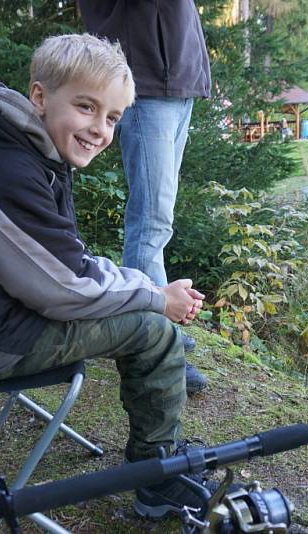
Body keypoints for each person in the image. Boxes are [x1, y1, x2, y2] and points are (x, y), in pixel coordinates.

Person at [0, 34, 208, 518]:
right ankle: (157, 476)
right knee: (154, 330)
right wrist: (154, 297)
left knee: (140, 308)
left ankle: (159, 462)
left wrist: (142, 287)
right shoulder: (6, 170)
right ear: (40, 97)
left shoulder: (26, 154)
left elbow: (64, 262)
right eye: (86, 107)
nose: (100, 130)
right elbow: (66, 286)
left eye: (112, 118)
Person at [78, 2, 211, 395]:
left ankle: (153, 331)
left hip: (178, 79)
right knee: (151, 220)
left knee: (157, 217)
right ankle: (151, 347)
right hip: (147, 78)